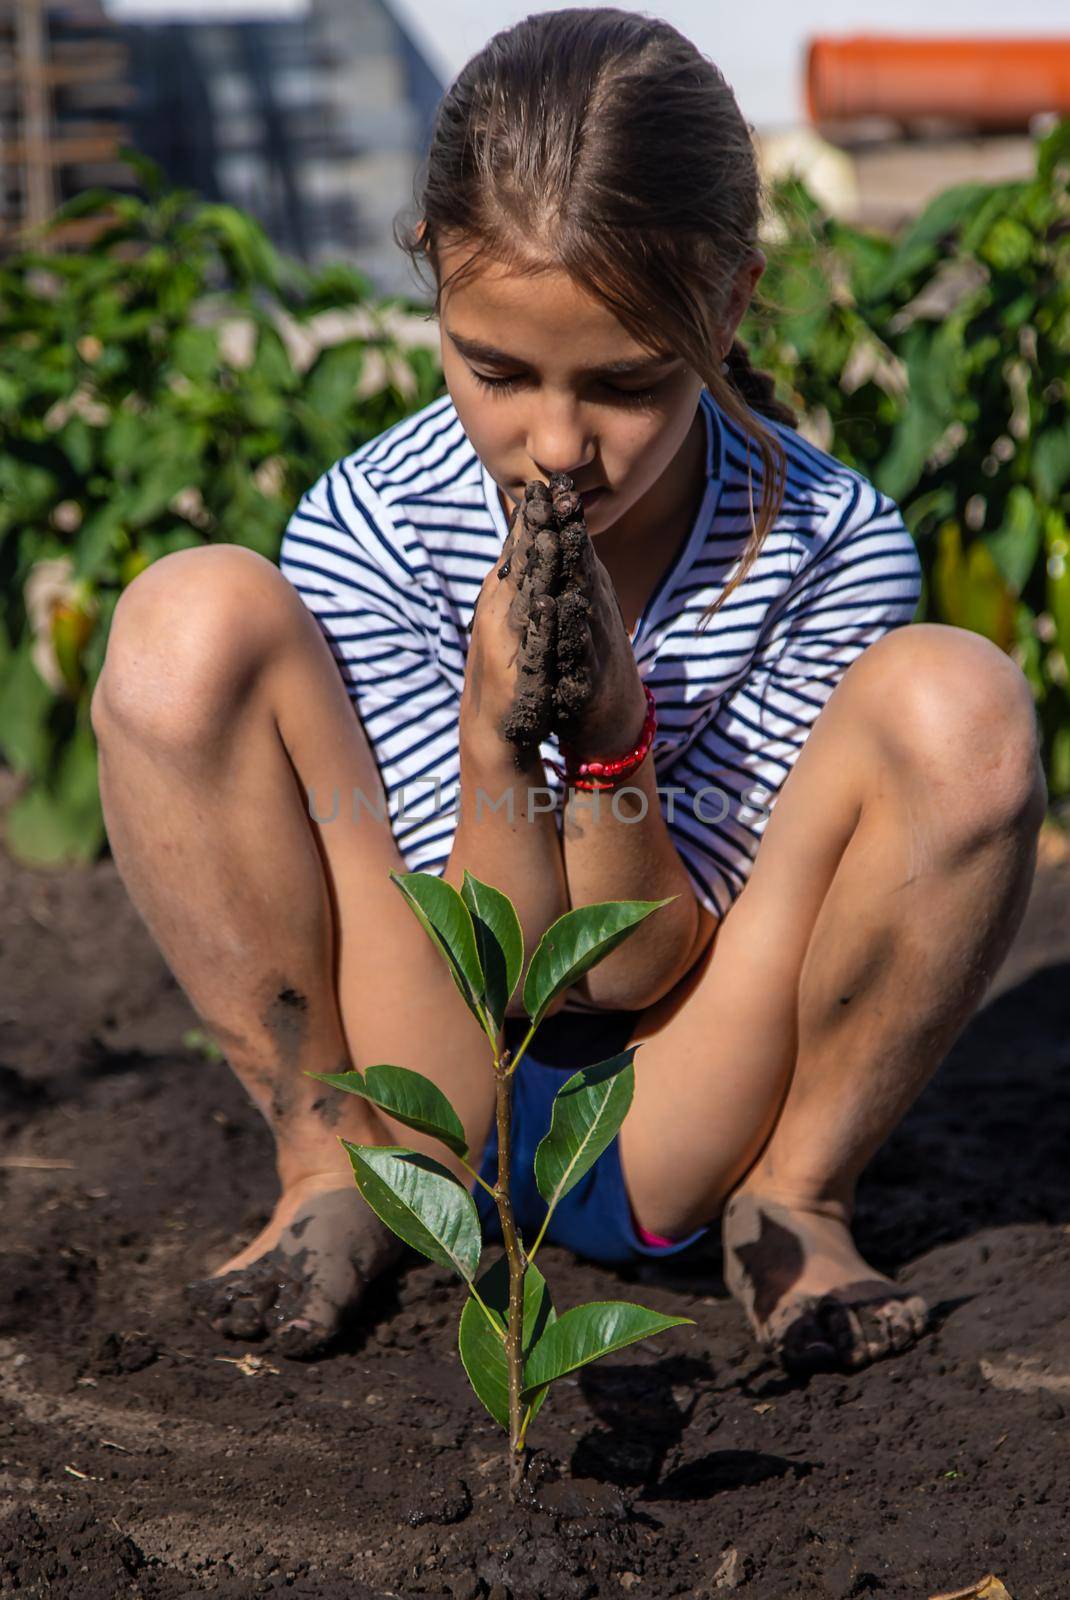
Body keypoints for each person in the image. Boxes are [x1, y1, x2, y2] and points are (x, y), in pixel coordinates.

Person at [90, 9, 1046, 1373]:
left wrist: (608, 739)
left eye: (625, 386)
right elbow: (480, 1006)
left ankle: (797, 1199)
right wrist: (494, 738)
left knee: (960, 706)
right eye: (495, 371)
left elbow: (640, 965)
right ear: (430, 287)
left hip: (684, 1098)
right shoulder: (380, 523)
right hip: (426, 1092)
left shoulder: (820, 547)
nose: (554, 447)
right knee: (186, 619)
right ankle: (325, 1168)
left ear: (720, 313)